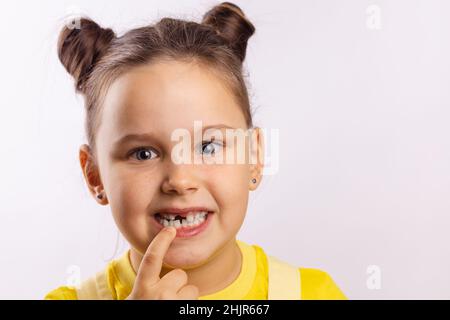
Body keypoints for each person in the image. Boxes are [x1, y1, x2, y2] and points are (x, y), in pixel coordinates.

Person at [45, 2, 346, 300]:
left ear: (253, 157)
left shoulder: (314, 294)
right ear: (95, 175)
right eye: (143, 153)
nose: (179, 179)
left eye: (208, 147)